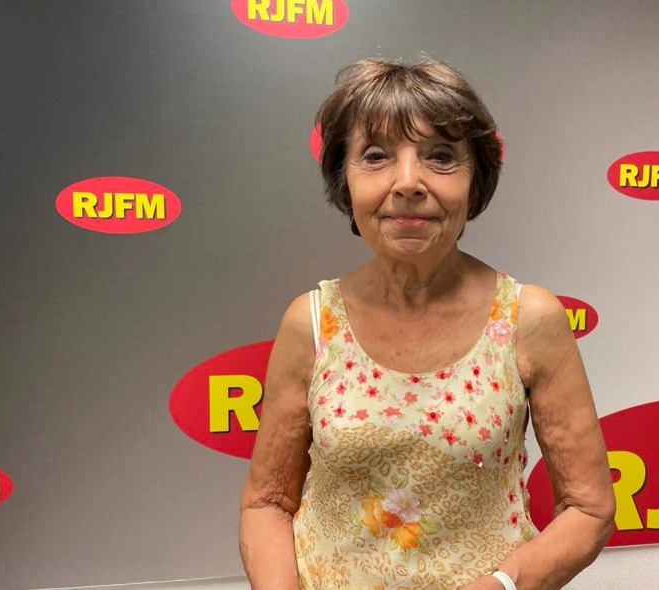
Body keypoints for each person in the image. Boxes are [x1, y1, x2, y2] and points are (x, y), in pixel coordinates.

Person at [239, 57, 615, 590]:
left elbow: (588, 508)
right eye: (376, 156)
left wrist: (503, 586)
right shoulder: (313, 322)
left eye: (440, 156)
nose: (408, 182)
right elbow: (268, 502)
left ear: (475, 181)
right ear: (345, 182)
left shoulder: (527, 320)